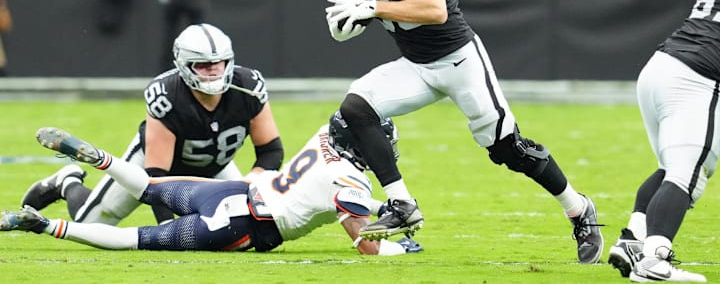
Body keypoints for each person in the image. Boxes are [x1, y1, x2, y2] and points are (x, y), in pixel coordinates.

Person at [323, 0, 603, 264]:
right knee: (356, 108)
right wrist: (351, 13)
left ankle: (579, 209)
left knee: (508, 149)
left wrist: (372, 7)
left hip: (458, 60)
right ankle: (402, 203)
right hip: (417, 66)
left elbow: (434, 9)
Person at [1, 115, 423, 255]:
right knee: (134, 238)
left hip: (234, 191)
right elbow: (366, 243)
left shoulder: (325, 135)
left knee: (148, 187)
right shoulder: (349, 179)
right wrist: (399, 246)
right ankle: (44, 226)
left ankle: (103, 160)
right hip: (244, 227)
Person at [20, 23, 284, 226]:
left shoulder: (248, 88)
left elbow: (271, 151)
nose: (213, 71)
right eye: (203, 65)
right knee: (91, 222)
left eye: (219, 63)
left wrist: (249, 184)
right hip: (148, 167)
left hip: (216, 165)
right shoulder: (166, 95)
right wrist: (170, 227)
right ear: (184, 65)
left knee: (241, 225)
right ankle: (68, 182)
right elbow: (157, 177)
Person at [605, 0, 720, 284]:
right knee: (687, 176)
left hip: (663, 65)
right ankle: (654, 259)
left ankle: (633, 240)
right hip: (697, 75)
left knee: (673, 171)